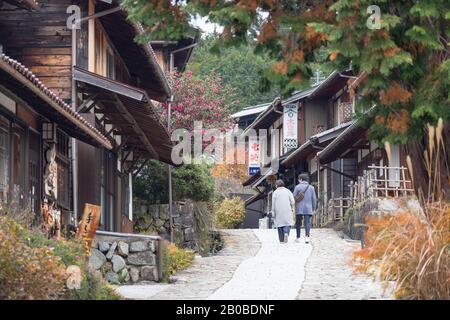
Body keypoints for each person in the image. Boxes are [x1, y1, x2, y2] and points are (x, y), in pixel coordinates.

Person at [293, 173, 317, 244]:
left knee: (298, 223)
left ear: (300, 179)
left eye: (299, 179)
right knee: (307, 223)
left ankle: (298, 237)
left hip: (299, 208)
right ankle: (307, 237)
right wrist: (314, 208)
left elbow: (293, 197)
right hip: (308, 208)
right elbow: (314, 199)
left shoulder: (297, 187)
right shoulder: (311, 188)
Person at [271, 179, 295, 243]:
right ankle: (286, 233)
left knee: (279, 224)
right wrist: (291, 206)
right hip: (287, 209)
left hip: (278, 210)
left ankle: (281, 240)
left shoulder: (275, 192)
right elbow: (293, 201)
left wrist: (273, 212)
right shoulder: (288, 191)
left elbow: (273, 203)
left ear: (276, 185)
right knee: (287, 223)